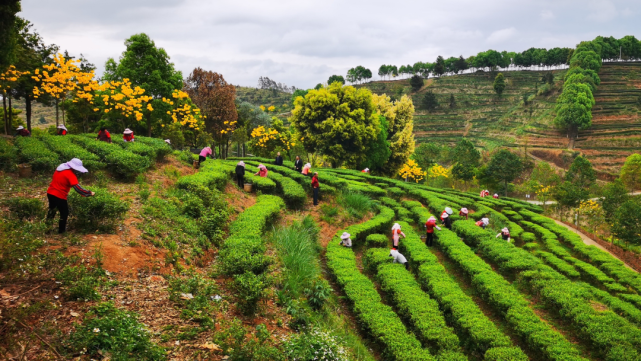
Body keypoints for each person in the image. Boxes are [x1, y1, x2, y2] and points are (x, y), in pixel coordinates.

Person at [46, 158, 95, 234]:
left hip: (50, 193)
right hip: (59, 195)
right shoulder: (70, 174)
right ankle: (61, 231)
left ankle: (47, 229)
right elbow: (78, 188)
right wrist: (89, 193)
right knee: (64, 213)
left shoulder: (60, 168)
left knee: (52, 211)